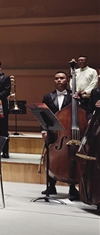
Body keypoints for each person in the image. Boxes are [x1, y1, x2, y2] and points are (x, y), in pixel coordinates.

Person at [41, 71, 79, 200]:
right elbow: (43, 115)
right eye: (57, 78)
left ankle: (72, 187)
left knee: (71, 159)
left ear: (67, 81)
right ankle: (51, 186)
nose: (59, 80)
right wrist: (44, 131)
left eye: (62, 78)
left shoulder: (73, 96)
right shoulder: (48, 97)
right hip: (53, 133)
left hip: (69, 133)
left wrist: (79, 100)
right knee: (51, 158)